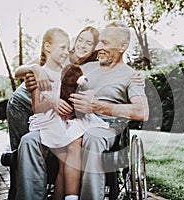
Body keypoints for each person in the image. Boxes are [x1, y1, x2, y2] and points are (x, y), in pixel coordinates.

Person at [5, 26, 100, 200]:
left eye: (89, 43)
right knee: (20, 157)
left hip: (56, 114)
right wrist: (35, 68)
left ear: (94, 48)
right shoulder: (59, 53)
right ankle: (17, 195)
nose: (83, 45)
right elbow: (20, 71)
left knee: (65, 152)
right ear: (75, 40)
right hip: (22, 104)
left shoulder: (90, 66)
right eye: (81, 40)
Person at [68, 20, 149, 200]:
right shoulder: (85, 68)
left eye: (105, 43)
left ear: (122, 46)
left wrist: (99, 107)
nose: (98, 47)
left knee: (92, 137)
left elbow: (142, 111)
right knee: (30, 140)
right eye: (99, 42)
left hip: (106, 127)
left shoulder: (131, 76)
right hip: (74, 122)